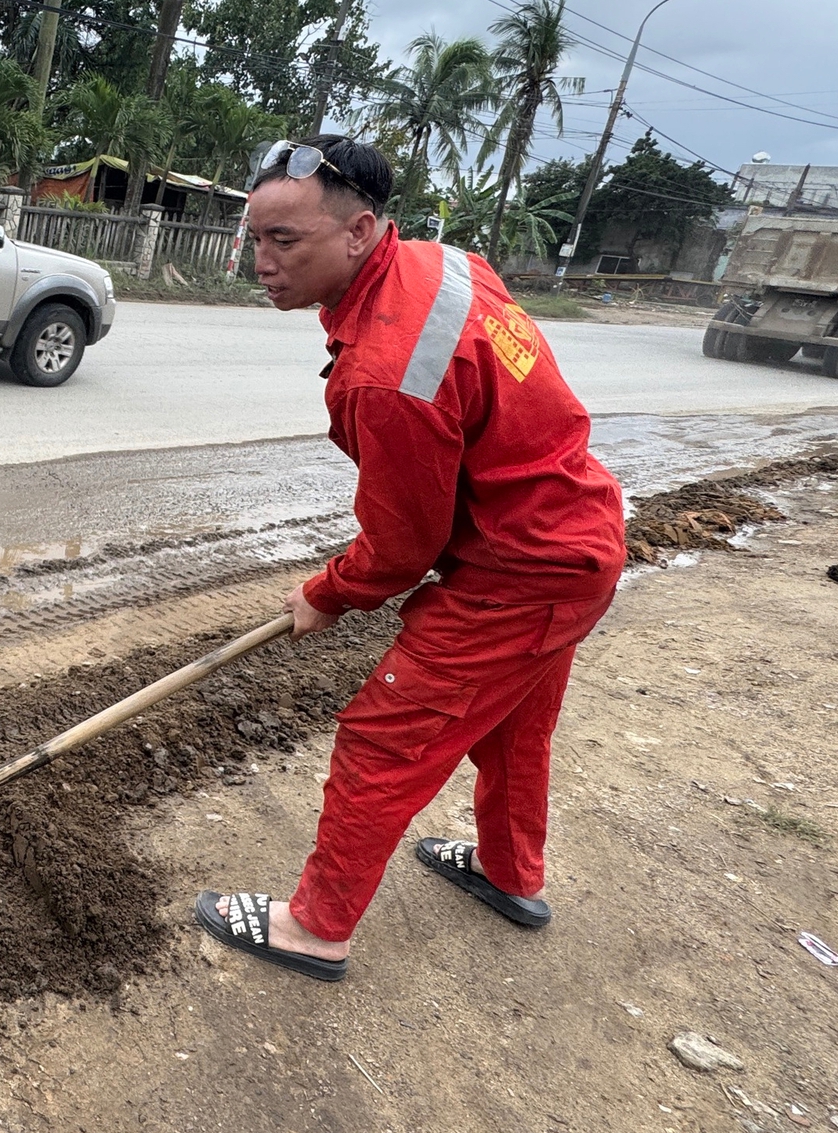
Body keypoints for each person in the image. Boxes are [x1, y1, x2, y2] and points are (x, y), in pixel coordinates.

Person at [194, 135, 627, 981]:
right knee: (512, 728)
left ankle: (315, 927)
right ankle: (509, 873)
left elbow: (402, 547)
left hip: (520, 573)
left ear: (358, 231)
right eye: (254, 237)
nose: (261, 261)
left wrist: (326, 593)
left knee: (382, 740)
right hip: (578, 538)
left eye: (284, 240)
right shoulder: (439, 262)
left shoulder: (388, 374)